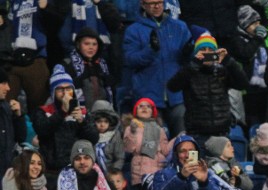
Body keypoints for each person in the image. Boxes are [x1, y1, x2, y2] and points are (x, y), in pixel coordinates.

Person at [123, 0, 192, 136]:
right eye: (152, 3)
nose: (157, 6)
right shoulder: (133, 30)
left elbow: (190, 61)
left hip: (177, 96)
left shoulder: (180, 27)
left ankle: (189, 158)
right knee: (151, 145)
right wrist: (150, 50)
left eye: (159, 2)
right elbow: (130, 60)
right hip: (148, 97)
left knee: (185, 141)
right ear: (143, 5)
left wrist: (188, 53)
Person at [166, 31, 250, 140]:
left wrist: (229, 61)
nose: (207, 53)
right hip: (196, 133)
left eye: (210, 50)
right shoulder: (189, 71)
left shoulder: (222, 71)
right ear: (196, 53)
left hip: (222, 132)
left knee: (224, 157)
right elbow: (172, 86)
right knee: (195, 157)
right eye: (203, 50)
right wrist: (194, 64)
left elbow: (243, 84)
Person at [33, 65, 99, 175]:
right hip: (51, 169)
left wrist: (82, 122)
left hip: (77, 168)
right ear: (53, 91)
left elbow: (94, 138)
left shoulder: (82, 112)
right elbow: (42, 130)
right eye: (60, 89)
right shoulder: (43, 111)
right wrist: (62, 112)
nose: (65, 93)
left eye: (68, 89)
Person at [61, 26, 115, 110]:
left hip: (102, 115)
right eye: (86, 44)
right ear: (78, 45)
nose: (91, 47)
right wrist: (79, 79)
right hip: (78, 113)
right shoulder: (67, 63)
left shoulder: (103, 64)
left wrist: (107, 80)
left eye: (94, 44)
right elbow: (57, 89)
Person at [122, 97, 169, 189]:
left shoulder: (159, 129)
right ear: (136, 111)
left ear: (152, 111)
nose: (144, 108)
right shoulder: (130, 128)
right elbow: (128, 148)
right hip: (139, 170)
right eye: (141, 106)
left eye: (148, 106)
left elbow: (165, 150)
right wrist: (133, 131)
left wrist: (177, 139)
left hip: (157, 168)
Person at [0, 69, 27, 175]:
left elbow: (21, 138)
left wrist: (18, 116)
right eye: (3, 83)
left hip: (7, 171)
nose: (8, 88)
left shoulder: (7, 108)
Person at [89, 100, 125, 174]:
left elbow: (120, 157)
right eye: (99, 121)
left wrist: (115, 170)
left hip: (112, 173)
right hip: (95, 173)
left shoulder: (114, 135)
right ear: (93, 122)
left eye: (106, 122)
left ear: (111, 122)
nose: (102, 125)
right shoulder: (90, 136)